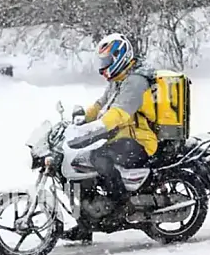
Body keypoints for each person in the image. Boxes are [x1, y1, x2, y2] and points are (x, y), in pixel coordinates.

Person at [62, 33, 158, 243]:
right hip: (120, 135)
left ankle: (122, 205)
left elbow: (120, 113)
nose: (102, 68)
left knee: (99, 158)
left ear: (119, 57)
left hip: (140, 140)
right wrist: (80, 119)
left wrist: (97, 127)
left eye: (106, 62)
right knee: (81, 163)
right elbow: (101, 105)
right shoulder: (119, 80)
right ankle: (85, 224)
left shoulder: (135, 82)